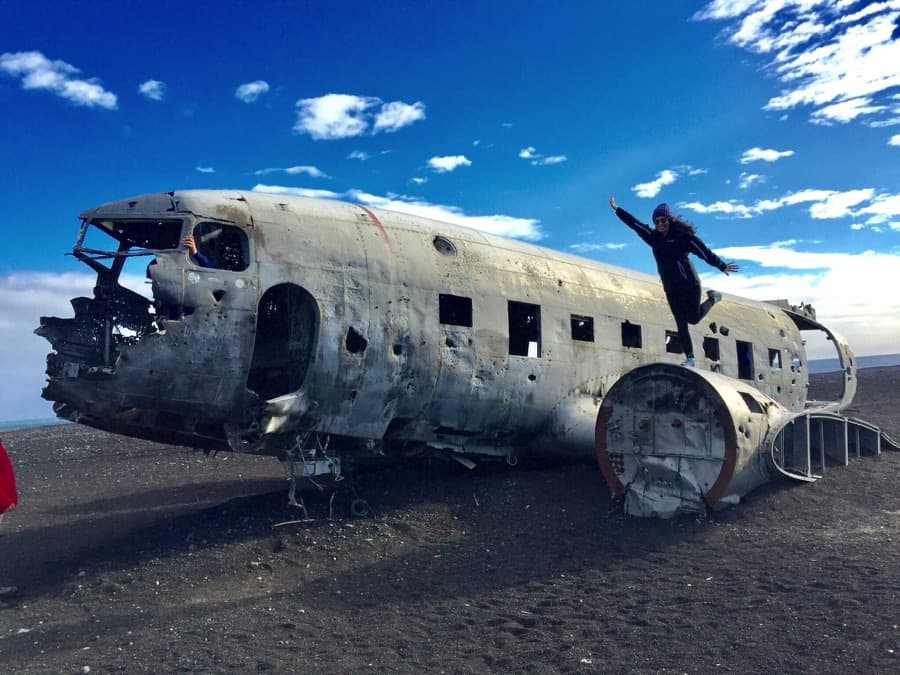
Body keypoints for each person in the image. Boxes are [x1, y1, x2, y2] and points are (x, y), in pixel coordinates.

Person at [608, 196, 738, 366]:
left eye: (663, 221)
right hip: (671, 288)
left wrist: (721, 265)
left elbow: (703, 251)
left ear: (669, 220)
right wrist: (618, 209)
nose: (660, 225)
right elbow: (635, 224)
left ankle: (713, 298)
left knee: (693, 319)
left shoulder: (683, 237)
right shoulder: (653, 237)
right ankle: (690, 358)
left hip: (689, 284)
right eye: (657, 222)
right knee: (680, 323)